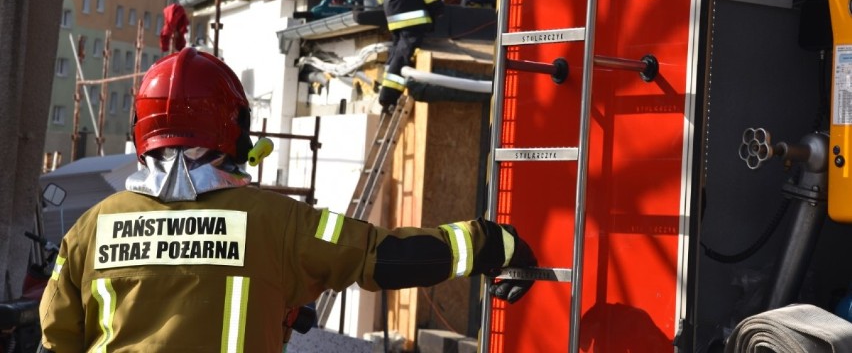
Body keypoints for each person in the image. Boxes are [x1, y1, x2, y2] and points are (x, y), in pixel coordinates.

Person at [38, 47, 536, 352]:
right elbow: (386, 258)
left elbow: (55, 341)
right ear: (234, 128)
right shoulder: (277, 222)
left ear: (142, 131)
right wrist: (490, 243)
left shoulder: (91, 228)